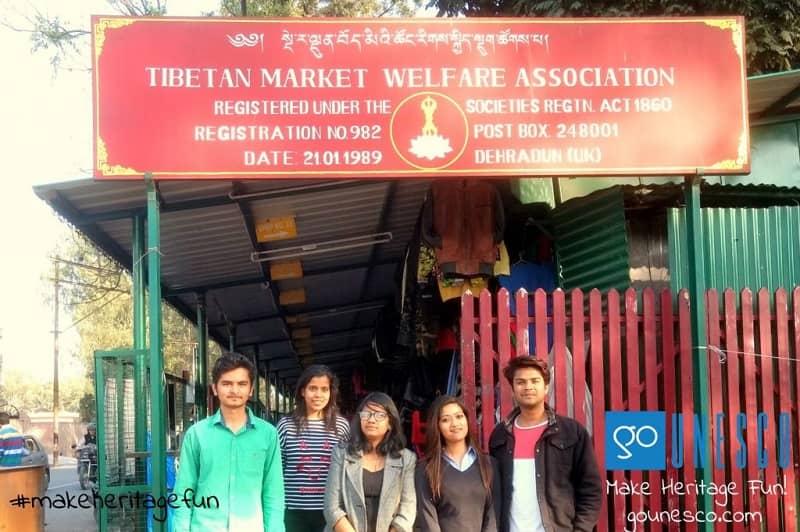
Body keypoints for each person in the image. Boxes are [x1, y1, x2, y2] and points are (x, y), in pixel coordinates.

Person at [172, 352, 285, 531]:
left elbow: (273, 493)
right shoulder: (197, 434)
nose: (234, 390)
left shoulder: (268, 434)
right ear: (215, 388)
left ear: (251, 389)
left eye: (242, 384)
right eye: (226, 384)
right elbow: (184, 490)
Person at [488, 356, 602, 532]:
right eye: (520, 382)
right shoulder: (500, 436)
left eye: (535, 381)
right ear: (512, 389)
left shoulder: (572, 432)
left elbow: (591, 490)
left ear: (546, 386)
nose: (528, 387)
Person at [323, 392, 416, 532]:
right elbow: (332, 507)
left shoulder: (406, 459)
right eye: (366, 414)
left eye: (379, 415)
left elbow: (407, 508)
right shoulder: (341, 453)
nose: (371, 420)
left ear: (390, 423)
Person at [278, 365, 350, 532]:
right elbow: (277, 470)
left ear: (331, 393)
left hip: (331, 511)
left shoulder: (341, 427)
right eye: (312, 388)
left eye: (324, 389)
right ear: (303, 391)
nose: (318, 394)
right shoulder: (286, 426)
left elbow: (347, 470)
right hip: (293, 511)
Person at [415, 395, 499, 532]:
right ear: (437, 426)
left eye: (459, 417)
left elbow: (493, 516)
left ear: (466, 419)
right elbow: (427, 518)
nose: (454, 424)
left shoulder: (489, 464)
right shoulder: (426, 468)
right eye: (445, 420)